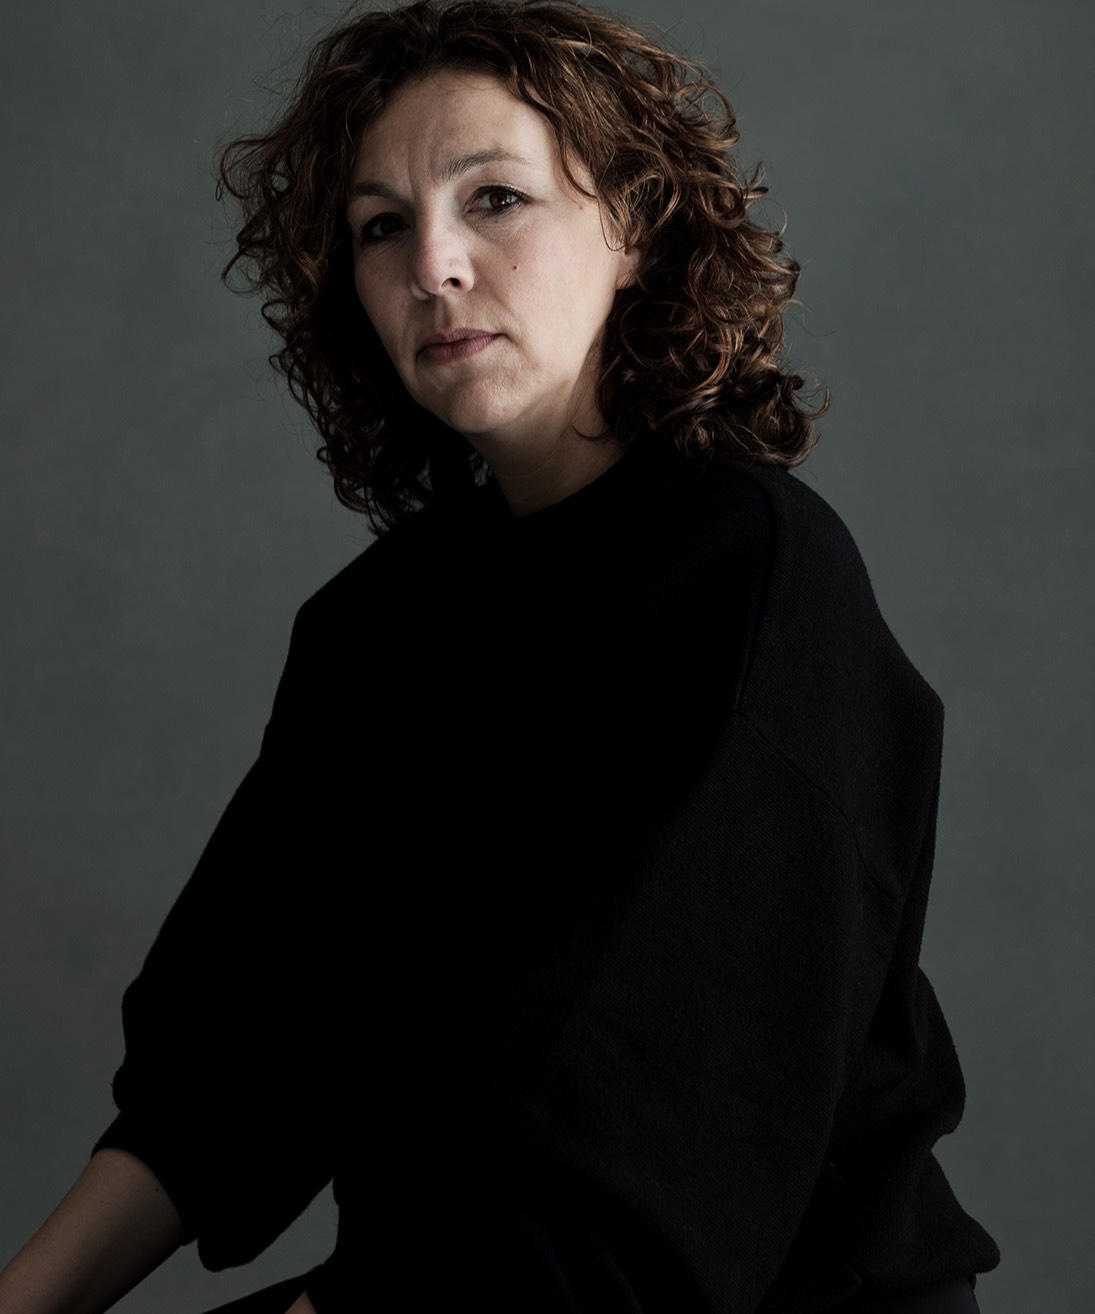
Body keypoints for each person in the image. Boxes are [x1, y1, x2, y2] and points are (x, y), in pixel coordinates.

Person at [0, 1, 1000, 1311]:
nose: (434, 264)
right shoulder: (376, 627)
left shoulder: (753, 573)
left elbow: (636, 1147)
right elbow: (232, 1058)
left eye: (496, 199)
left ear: (634, 225)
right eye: (381, 226)